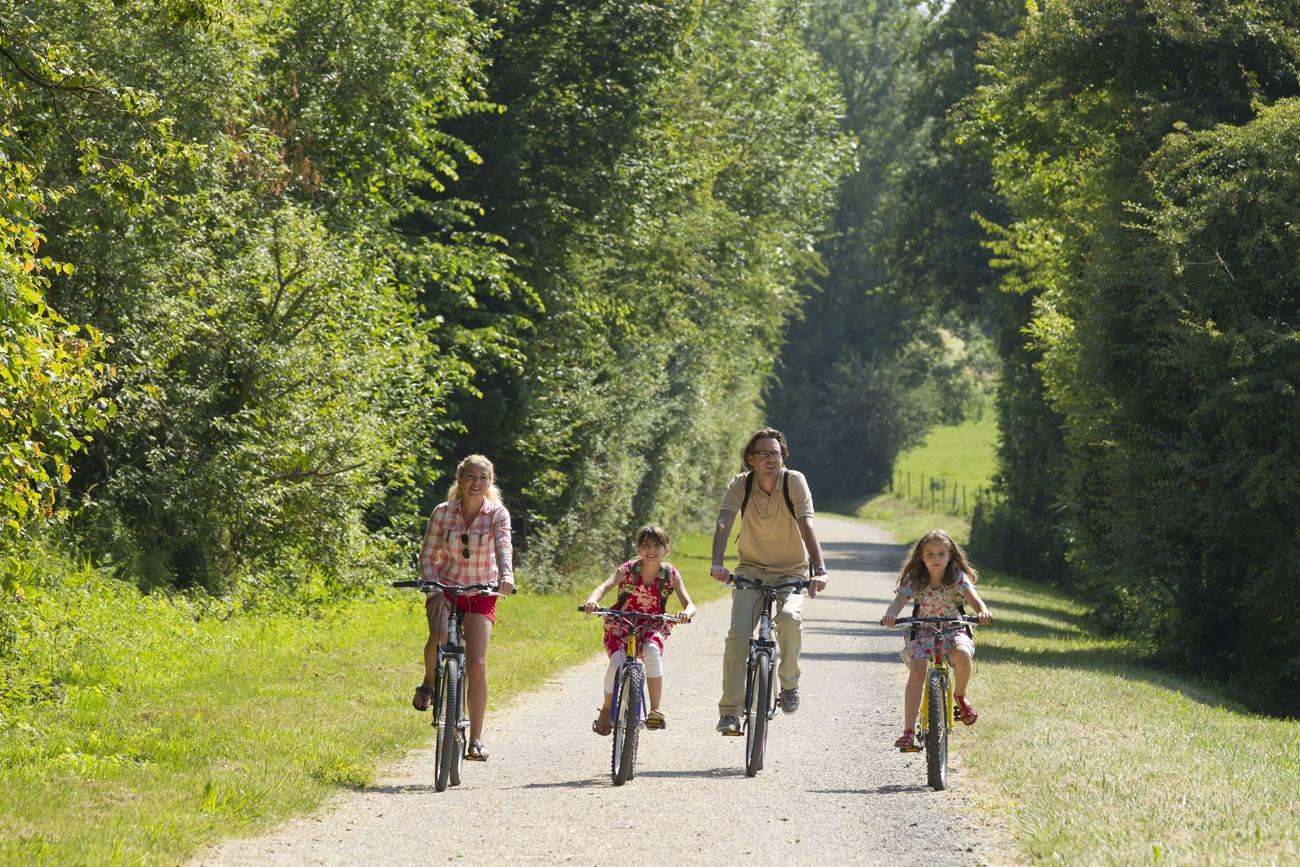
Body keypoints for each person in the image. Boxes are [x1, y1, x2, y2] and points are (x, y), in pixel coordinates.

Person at [711, 428, 827, 735]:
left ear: (782, 456)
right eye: (763, 454)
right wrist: (717, 562)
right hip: (750, 569)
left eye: (775, 453)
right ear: (751, 460)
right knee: (738, 636)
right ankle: (730, 712)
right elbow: (725, 520)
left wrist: (820, 569)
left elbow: (807, 525)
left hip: (791, 570)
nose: (770, 459)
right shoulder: (741, 484)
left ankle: (788, 684)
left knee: (789, 618)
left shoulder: (794, 482)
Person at [412, 454, 515, 762]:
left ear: (489, 482)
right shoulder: (442, 513)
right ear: (460, 480)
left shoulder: (497, 514)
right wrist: (432, 584)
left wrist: (507, 577)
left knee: (477, 664)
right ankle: (430, 682)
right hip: (446, 586)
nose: (476, 483)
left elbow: (503, 548)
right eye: (470, 476)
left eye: (482, 478)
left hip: (483, 590)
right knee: (440, 637)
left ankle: (477, 739)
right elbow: (427, 556)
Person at [880, 529, 992, 751]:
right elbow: (899, 600)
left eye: (941, 554)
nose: (935, 559)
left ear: (950, 556)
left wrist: (983, 612)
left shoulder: (957, 578)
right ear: (922, 557)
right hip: (922, 631)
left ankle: (960, 695)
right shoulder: (916, 579)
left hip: (954, 628)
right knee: (918, 670)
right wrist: (891, 614)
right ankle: (908, 732)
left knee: (961, 654)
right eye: (930, 554)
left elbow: (976, 601)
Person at [582, 525, 695, 734]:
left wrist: (686, 613)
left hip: (652, 623)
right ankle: (607, 709)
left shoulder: (669, 574)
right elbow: (604, 587)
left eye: (656, 546)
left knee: (652, 652)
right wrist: (592, 600)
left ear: (666, 550)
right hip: (621, 621)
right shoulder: (629, 569)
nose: (650, 550)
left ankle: (655, 710)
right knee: (617, 663)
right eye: (645, 545)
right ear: (638, 549)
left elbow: (689, 604)